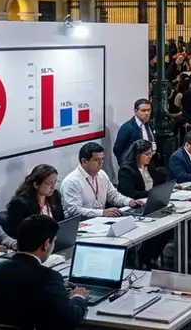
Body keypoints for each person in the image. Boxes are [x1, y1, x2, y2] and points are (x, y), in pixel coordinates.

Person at [0, 215, 89, 329]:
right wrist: (78, 297)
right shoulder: (48, 277)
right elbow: (70, 319)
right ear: (46, 244)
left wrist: (57, 289)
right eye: (53, 242)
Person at [117, 139, 171, 268]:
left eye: (151, 154)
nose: (149, 157)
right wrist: (151, 194)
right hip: (133, 209)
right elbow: (130, 194)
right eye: (146, 154)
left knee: (167, 229)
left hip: (151, 205)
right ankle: (142, 260)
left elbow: (157, 185)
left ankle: (150, 258)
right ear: (137, 154)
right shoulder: (126, 170)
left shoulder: (150, 167)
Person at [61, 142, 141, 219]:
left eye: (102, 159)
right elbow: (74, 211)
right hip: (81, 224)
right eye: (96, 160)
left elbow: (113, 196)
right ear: (84, 161)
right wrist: (102, 213)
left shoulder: (102, 174)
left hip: (99, 221)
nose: (101, 163)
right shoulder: (71, 181)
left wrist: (129, 202)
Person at [6, 165, 65, 236]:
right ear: (36, 185)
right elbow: (19, 234)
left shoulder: (55, 196)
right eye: (49, 183)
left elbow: (62, 222)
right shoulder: (21, 204)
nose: (53, 187)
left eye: (55, 182)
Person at [113, 99, 156, 165]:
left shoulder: (150, 124)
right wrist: (125, 164)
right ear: (135, 111)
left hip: (149, 163)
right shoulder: (127, 127)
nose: (147, 113)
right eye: (143, 110)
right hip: (133, 165)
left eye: (149, 110)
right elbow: (117, 149)